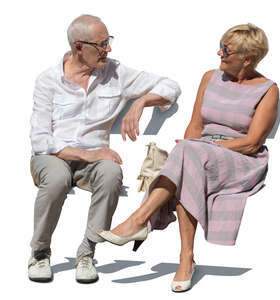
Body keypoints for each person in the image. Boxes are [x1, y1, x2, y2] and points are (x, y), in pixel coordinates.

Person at [98, 23, 280, 292]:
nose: (219, 53)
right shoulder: (210, 77)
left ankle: (139, 221)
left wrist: (201, 148)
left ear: (247, 58)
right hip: (200, 152)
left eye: (225, 50)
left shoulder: (268, 89)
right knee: (189, 157)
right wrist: (192, 148)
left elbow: (252, 142)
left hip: (241, 159)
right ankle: (186, 259)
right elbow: (195, 127)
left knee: (190, 154)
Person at [28, 14, 181, 283]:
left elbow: (171, 86)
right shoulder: (48, 80)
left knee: (111, 173)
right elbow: (41, 141)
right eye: (100, 44)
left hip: (96, 162)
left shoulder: (115, 73)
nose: (108, 49)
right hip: (54, 156)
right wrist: (89, 154)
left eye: (108, 41)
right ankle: (40, 253)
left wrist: (141, 101)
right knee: (57, 179)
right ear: (78, 47)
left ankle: (87, 253)